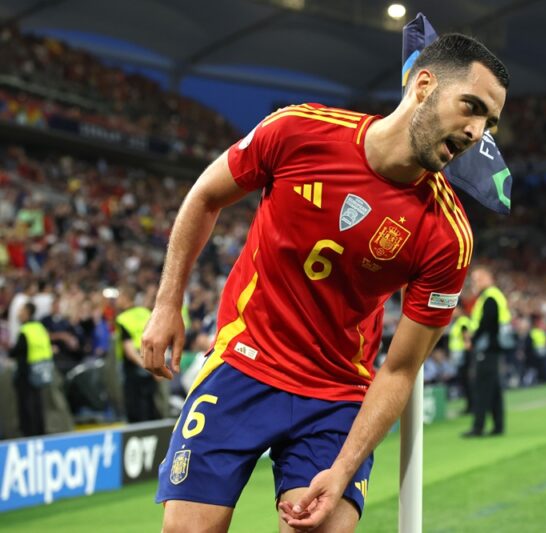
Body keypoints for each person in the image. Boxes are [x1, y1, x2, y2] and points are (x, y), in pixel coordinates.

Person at [141, 33, 509, 532]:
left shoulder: (448, 236)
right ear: (423, 85)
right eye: (471, 107)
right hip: (243, 366)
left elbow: (400, 370)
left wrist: (343, 468)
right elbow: (205, 196)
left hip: (336, 395)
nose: (476, 131)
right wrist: (167, 304)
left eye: (489, 122)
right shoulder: (300, 130)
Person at [462, 265, 510, 438]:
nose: (474, 282)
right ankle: (498, 426)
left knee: (482, 388)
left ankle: (478, 427)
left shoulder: (489, 297)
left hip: (487, 348)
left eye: (477, 279)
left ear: (486, 278)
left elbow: (486, 323)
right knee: (494, 388)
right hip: (493, 348)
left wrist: (473, 341)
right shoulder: (493, 296)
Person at [115, 285, 158, 422]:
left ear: (125, 298)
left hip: (134, 367)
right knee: (151, 404)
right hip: (152, 361)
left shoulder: (122, 319)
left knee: (135, 408)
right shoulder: (145, 313)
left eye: (119, 297)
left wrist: (144, 365)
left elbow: (130, 351)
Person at [11, 302, 54, 436]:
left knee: (26, 407)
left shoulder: (25, 330)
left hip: (26, 373)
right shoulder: (40, 327)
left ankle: (29, 435)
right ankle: (40, 433)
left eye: (21, 311)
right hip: (41, 371)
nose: (19, 314)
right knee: (38, 405)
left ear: (28, 312)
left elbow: (17, 351)